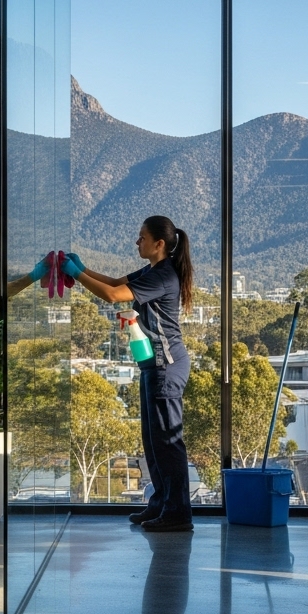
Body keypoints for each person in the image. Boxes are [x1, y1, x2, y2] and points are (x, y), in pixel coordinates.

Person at [62, 216, 194, 532]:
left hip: (167, 365)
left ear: (158, 244)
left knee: (168, 442)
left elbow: (111, 296)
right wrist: (81, 270)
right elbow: (114, 283)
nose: (137, 242)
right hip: (153, 365)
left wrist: (76, 274)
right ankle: (161, 504)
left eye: (141, 238)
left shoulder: (163, 275)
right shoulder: (151, 270)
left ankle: (178, 514)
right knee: (153, 440)